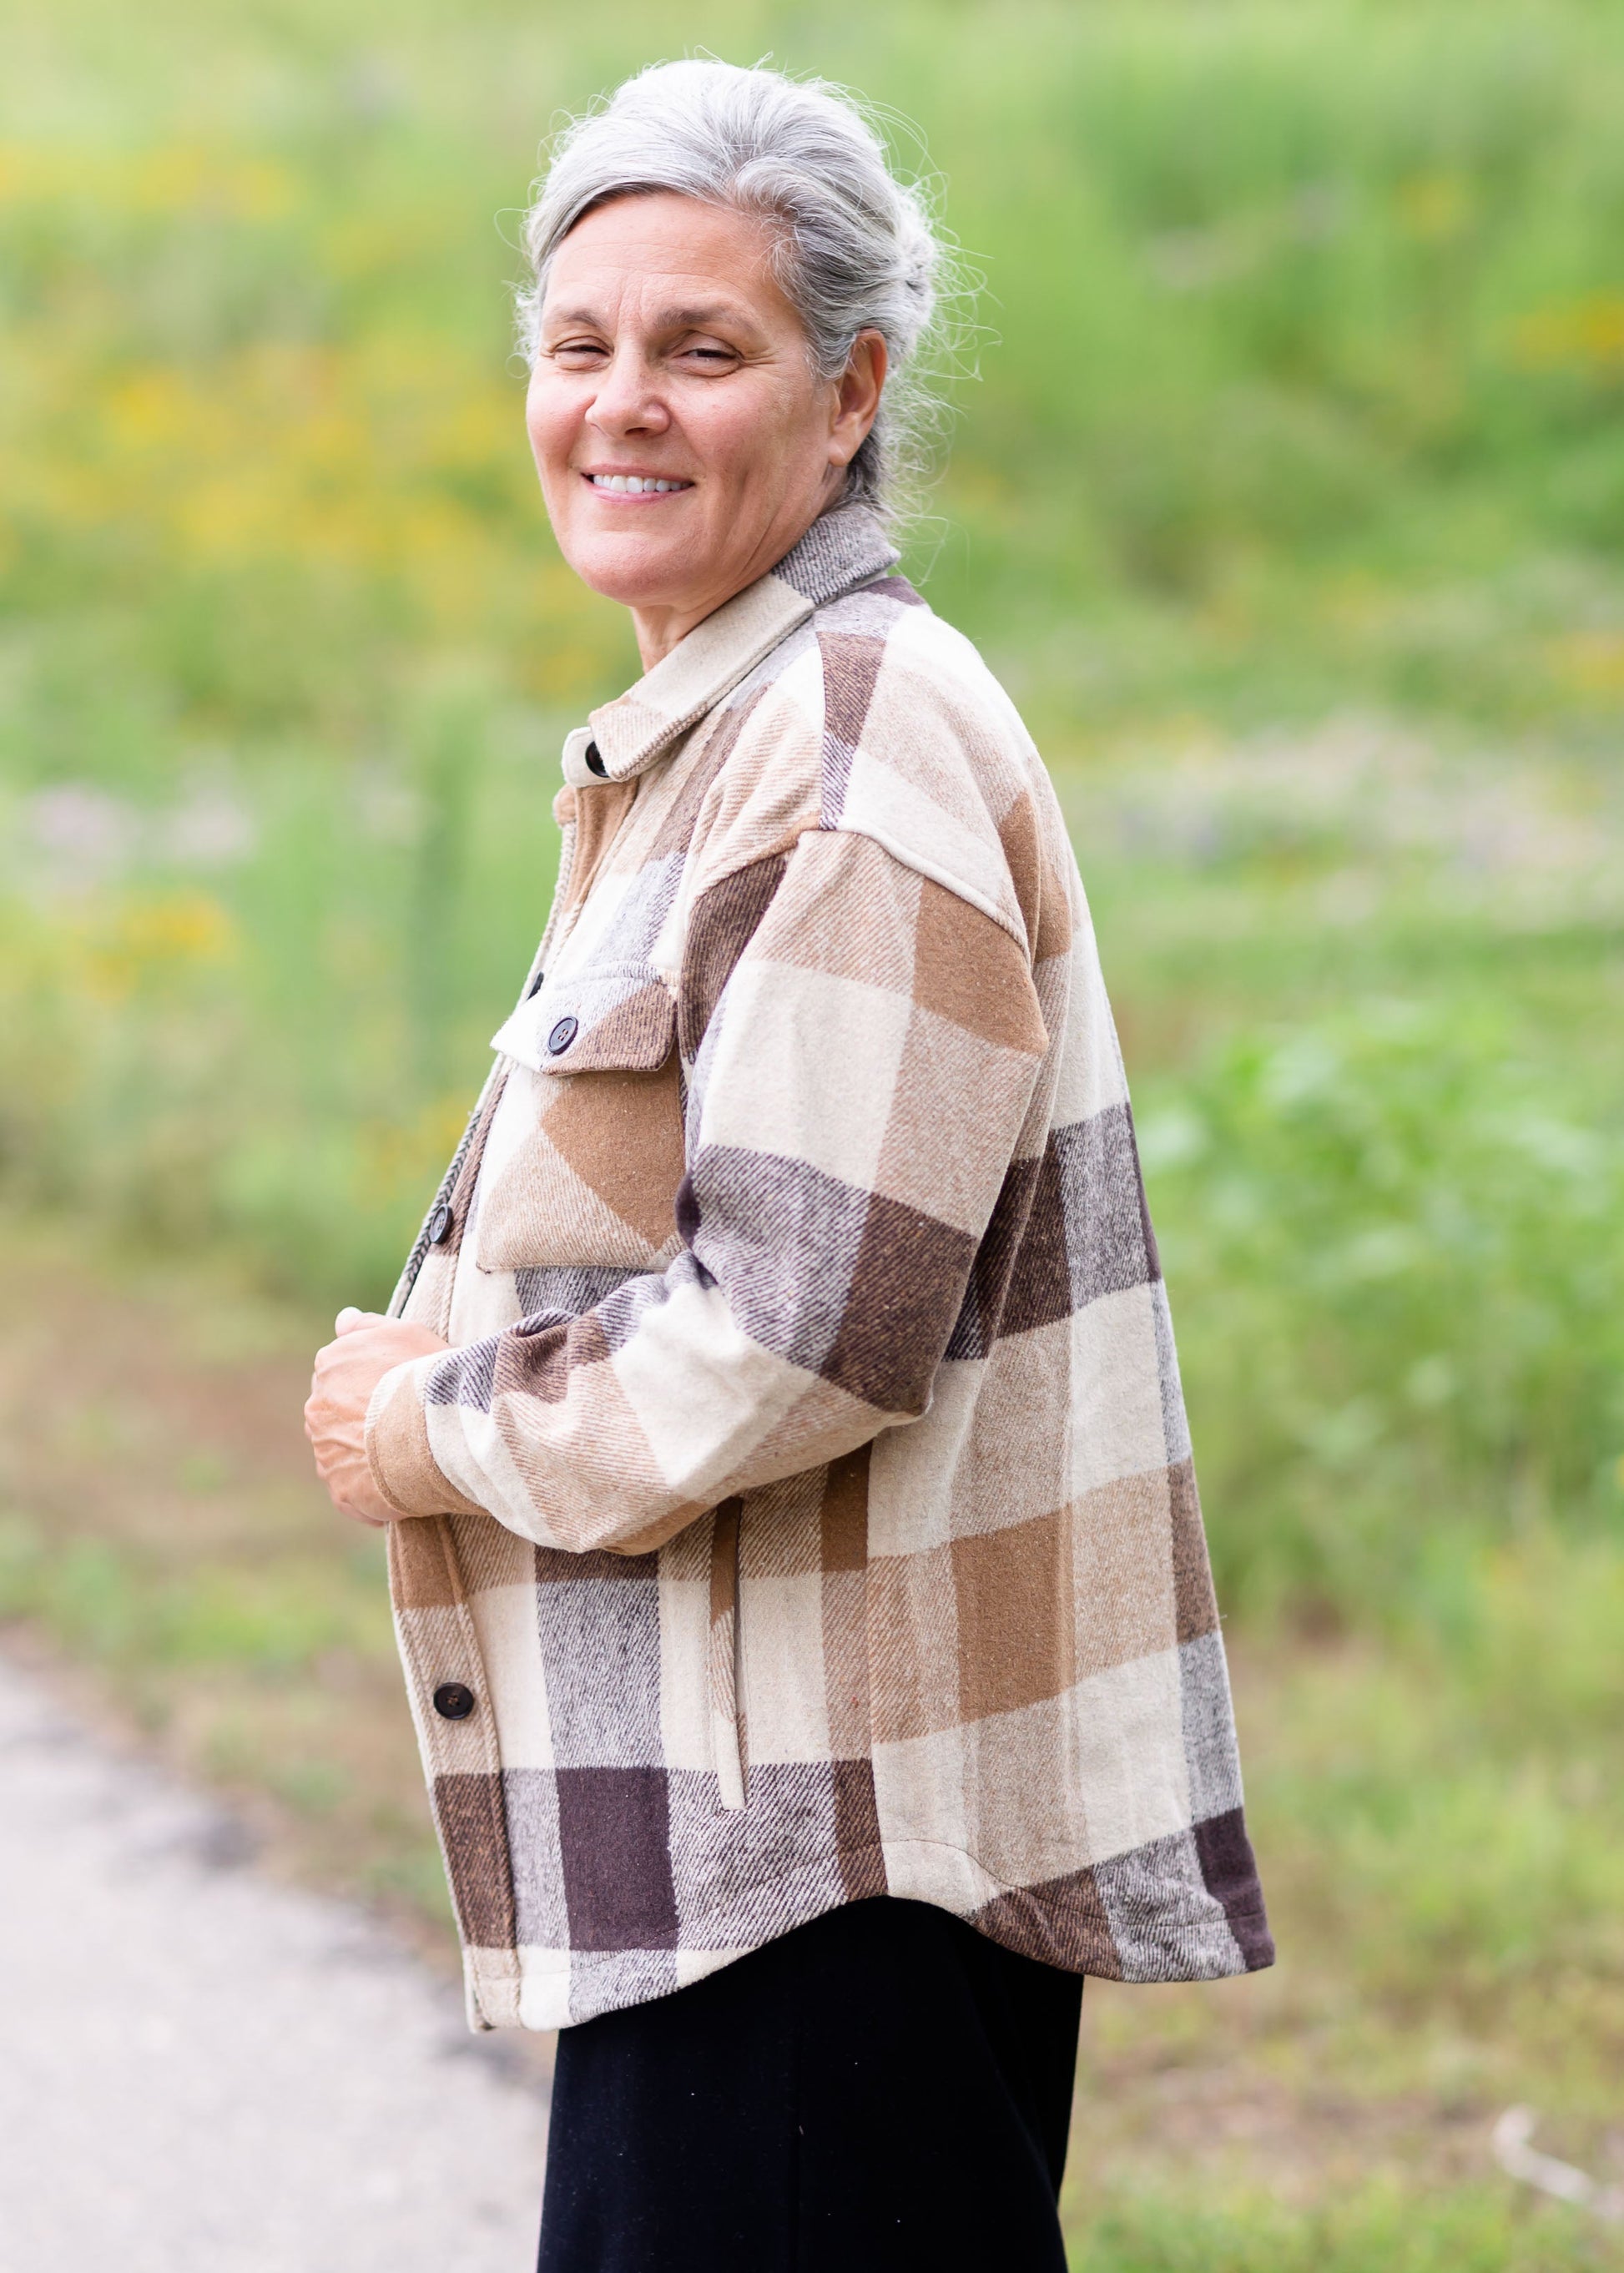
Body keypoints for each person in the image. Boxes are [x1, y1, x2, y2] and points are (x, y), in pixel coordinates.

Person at [304, 58, 1272, 2272]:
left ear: (848, 395)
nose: (618, 406)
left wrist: (422, 1421)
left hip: (824, 1877)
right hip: (748, 1859)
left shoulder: (850, 744)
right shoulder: (721, 734)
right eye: (579, 343)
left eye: (700, 349)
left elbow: (800, 1335)